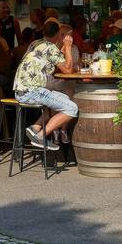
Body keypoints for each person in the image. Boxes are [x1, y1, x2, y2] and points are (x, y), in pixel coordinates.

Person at [13, 19, 78, 152]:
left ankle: (35, 127)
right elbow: (68, 70)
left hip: (20, 90)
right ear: (58, 34)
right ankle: (40, 137)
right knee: (72, 108)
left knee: (65, 98)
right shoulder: (50, 47)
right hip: (32, 91)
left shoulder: (35, 43)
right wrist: (68, 46)